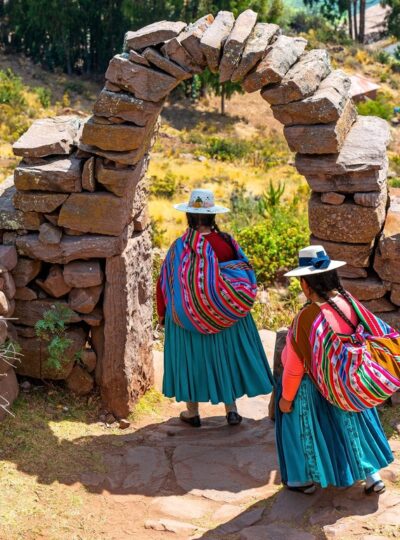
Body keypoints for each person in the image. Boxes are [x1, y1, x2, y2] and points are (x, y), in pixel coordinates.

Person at [275, 245, 394, 495]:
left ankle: (301, 480)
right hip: (352, 383)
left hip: (322, 389)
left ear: (305, 285)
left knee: (293, 419)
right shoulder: (348, 301)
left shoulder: (307, 317)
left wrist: (285, 399)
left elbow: (295, 368)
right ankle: (372, 476)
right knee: (356, 425)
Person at [157, 188, 274, 427]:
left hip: (188, 319)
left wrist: (163, 313)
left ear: (189, 216)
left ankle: (192, 412)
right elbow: (243, 273)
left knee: (191, 360)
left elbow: (165, 281)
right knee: (225, 358)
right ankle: (231, 410)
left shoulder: (179, 247)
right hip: (226, 316)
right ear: (213, 216)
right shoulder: (227, 243)